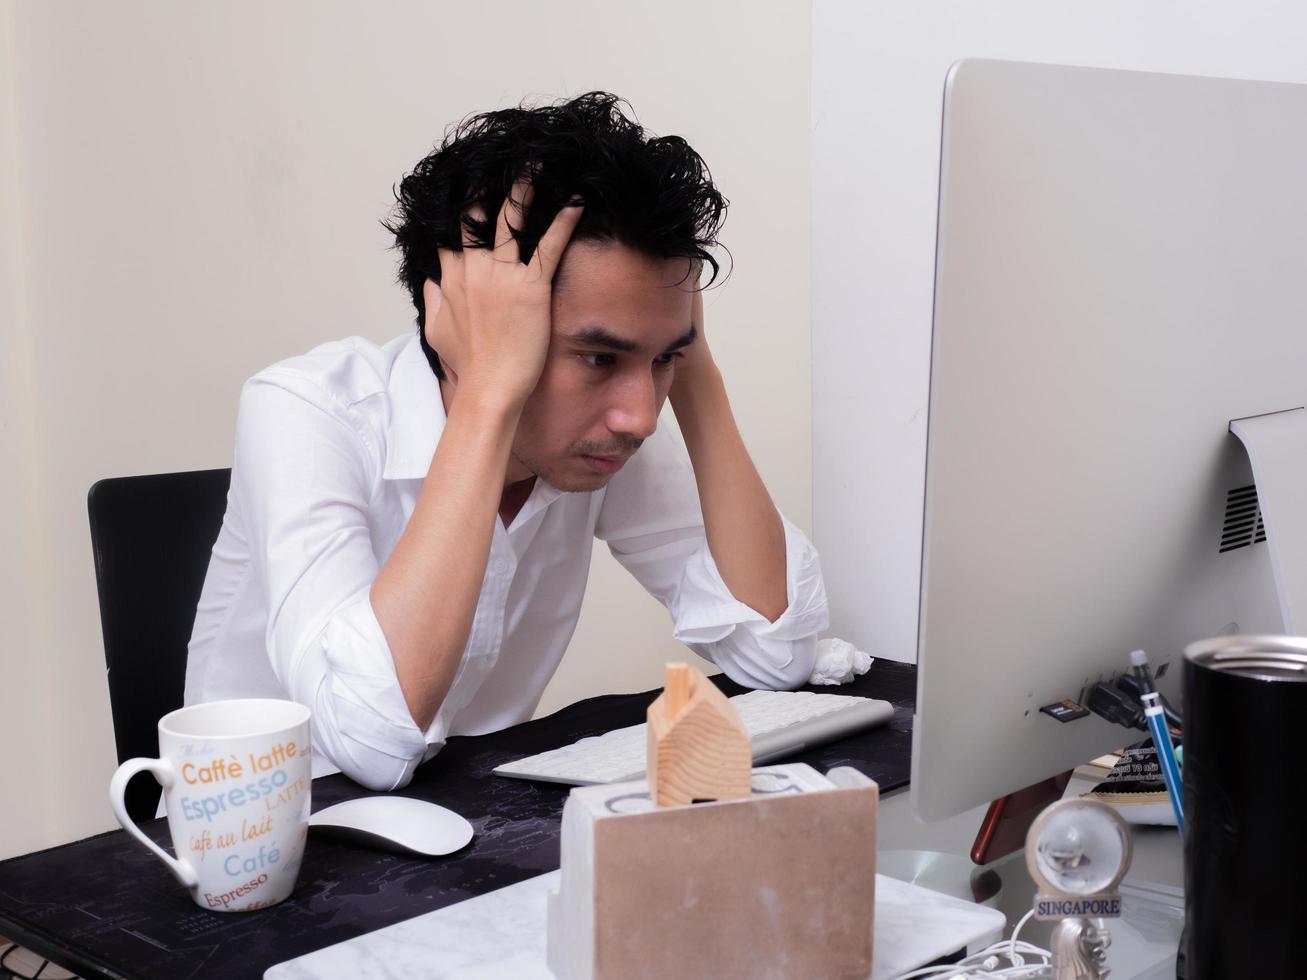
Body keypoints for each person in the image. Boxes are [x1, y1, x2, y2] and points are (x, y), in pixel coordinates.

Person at [184, 92, 829, 790]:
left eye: (660, 360)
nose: (639, 417)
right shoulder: (307, 411)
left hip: (469, 822)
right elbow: (367, 741)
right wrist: (489, 394)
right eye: (598, 357)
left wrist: (692, 364)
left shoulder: (606, 425)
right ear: (473, 321)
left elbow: (775, 654)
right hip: (261, 844)